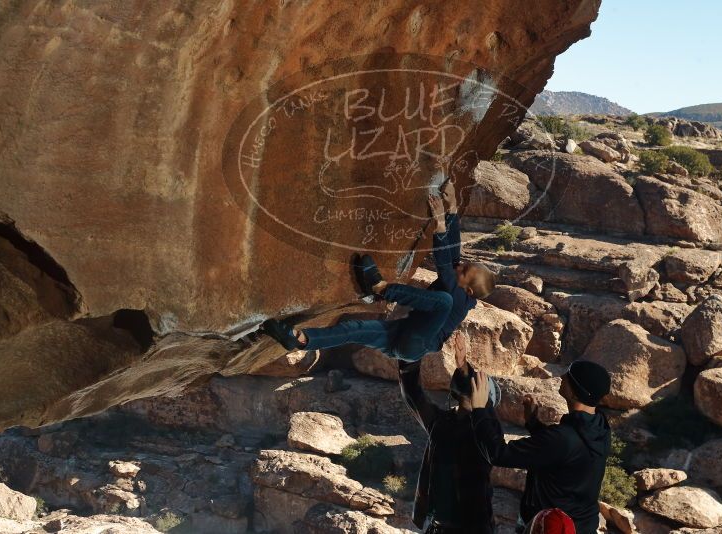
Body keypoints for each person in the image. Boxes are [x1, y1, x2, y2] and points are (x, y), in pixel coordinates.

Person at [257, 182, 496, 362]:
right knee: (355, 330)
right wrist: (453, 206)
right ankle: (298, 339)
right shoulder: (460, 283)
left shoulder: (460, 299)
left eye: (464, 272)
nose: (460, 267)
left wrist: (440, 223)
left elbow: (445, 263)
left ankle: (380, 288)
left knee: (443, 301)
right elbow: (454, 254)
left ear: (469, 289)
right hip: (403, 335)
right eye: (466, 265)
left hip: (416, 345)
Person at [469, 361, 612, 534]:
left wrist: (480, 409)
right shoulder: (600, 428)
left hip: (548, 527)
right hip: (581, 525)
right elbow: (566, 453)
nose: (561, 377)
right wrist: (534, 424)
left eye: (568, 377)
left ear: (575, 394)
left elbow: (498, 454)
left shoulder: (563, 438)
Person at [399, 333, 502, 533]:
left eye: (477, 382)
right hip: (438, 528)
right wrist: (409, 354)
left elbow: (487, 420)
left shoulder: (487, 431)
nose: (471, 381)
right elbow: (412, 394)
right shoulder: (442, 423)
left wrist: (464, 368)